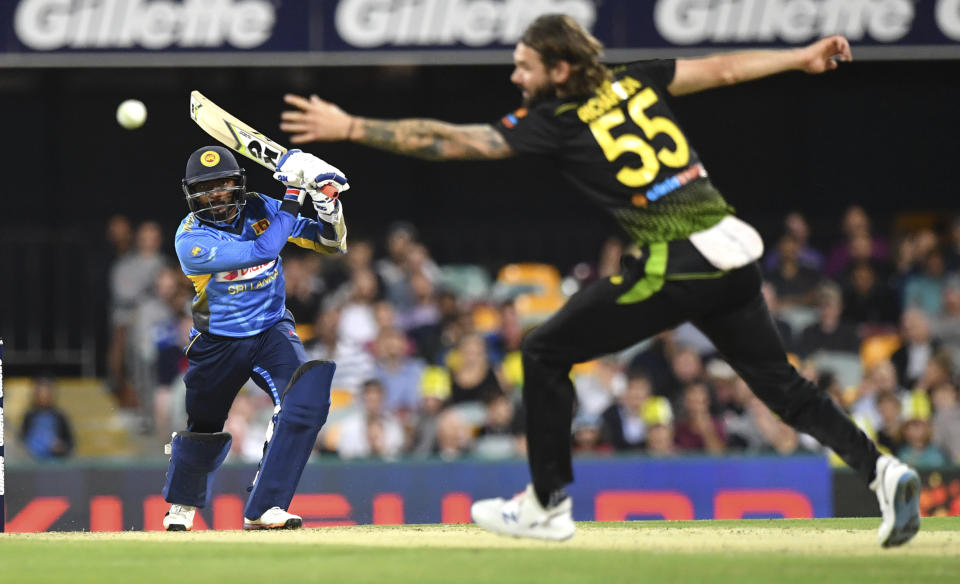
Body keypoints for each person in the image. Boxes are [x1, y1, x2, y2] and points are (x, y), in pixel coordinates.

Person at [279, 14, 920, 546]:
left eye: (525, 66)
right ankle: (882, 471)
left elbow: (456, 142)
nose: (515, 76)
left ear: (558, 71)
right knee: (782, 385)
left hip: (677, 261)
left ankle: (547, 505)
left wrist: (352, 128)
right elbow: (723, 68)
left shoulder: (555, 118)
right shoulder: (636, 79)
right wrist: (798, 56)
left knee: (541, 349)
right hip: (730, 248)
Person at [160, 145, 349, 531]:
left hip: (271, 329)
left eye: (223, 184)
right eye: (206, 188)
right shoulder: (190, 239)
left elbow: (331, 243)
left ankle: (267, 506)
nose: (216, 195)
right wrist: (295, 192)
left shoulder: (261, 208)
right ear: (192, 194)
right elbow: (264, 248)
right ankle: (181, 504)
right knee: (205, 424)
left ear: (237, 184)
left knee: (306, 397)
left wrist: (327, 204)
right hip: (218, 341)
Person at [19, 376, 74, 460]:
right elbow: (21, 439)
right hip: (31, 463)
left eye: (46, 393)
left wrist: (61, 447)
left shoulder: (60, 416)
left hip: (54, 463)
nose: (43, 397)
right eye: (40, 393)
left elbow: (70, 443)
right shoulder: (29, 416)